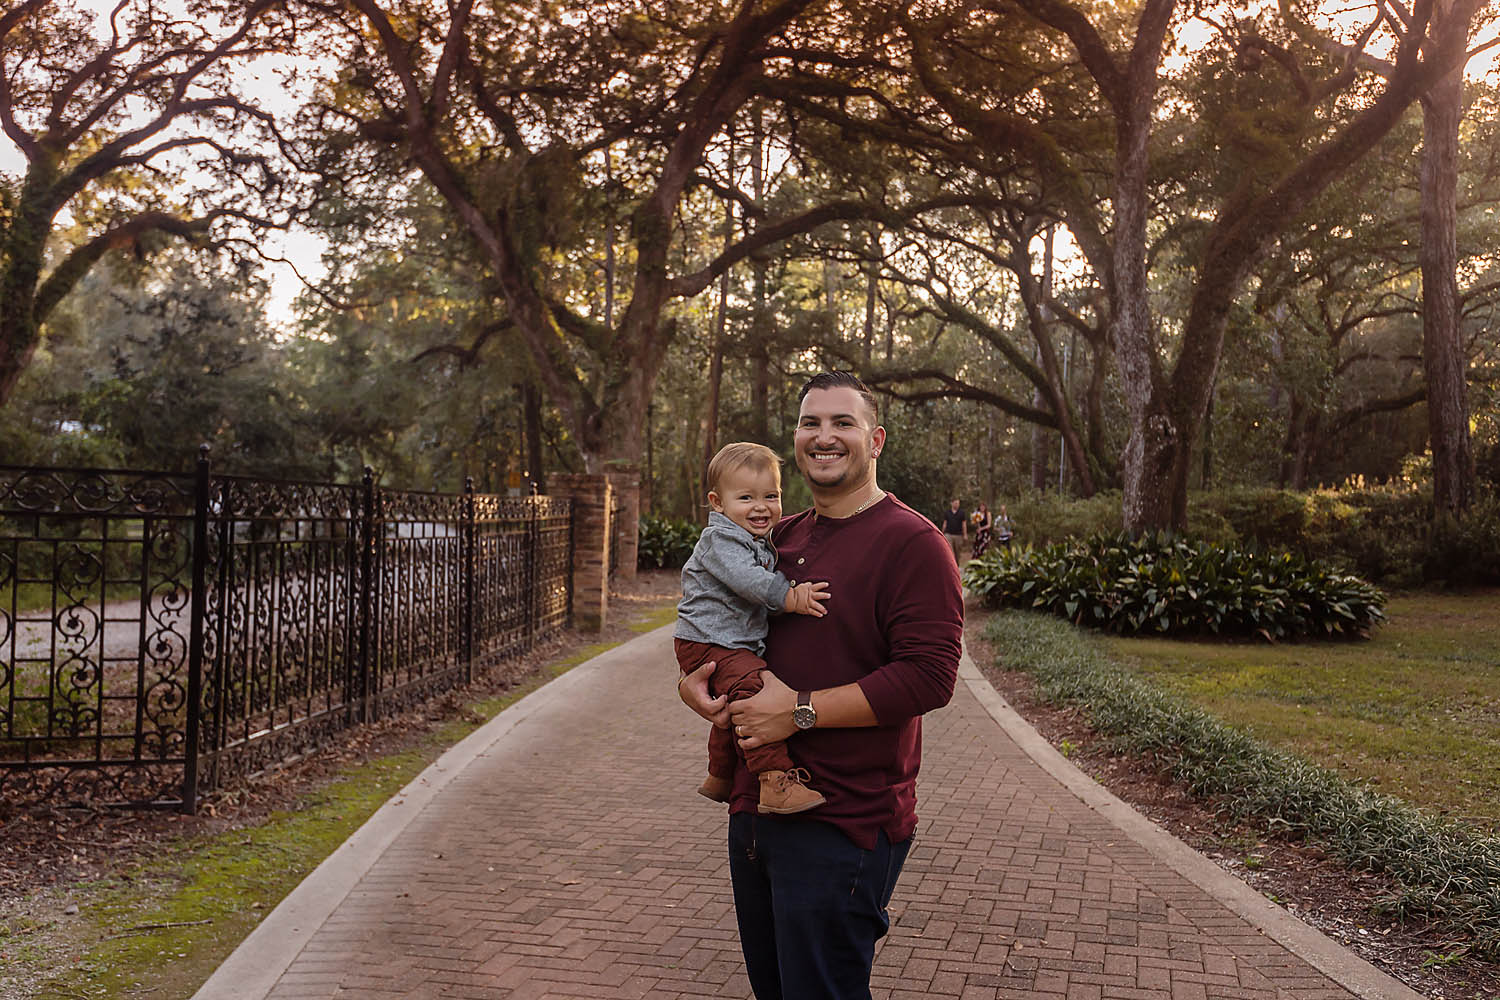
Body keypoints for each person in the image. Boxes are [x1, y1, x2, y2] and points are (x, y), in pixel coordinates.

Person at [678, 371, 963, 1000]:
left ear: (876, 439)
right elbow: (721, 627)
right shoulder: (775, 538)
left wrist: (798, 713)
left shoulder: (913, 544)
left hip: (845, 821)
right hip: (754, 811)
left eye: (843, 423)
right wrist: (692, 689)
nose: (823, 437)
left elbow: (929, 677)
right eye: (811, 423)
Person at [675, 441, 832, 816]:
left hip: (723, 642)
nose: (761, 507)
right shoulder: (721, 540)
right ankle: (773, 779)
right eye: (746, 497)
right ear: (718, 503)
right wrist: (790, 596)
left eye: (771, 496)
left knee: (730, 704)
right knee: (754, 694)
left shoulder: (758, 539)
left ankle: (720, 774)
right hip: (712, 643)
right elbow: (747, 580)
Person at [939, 497, 967, 564]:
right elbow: (945, 523)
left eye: (958, 503)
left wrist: (965, 534)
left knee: (957, 553)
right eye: (955, 503)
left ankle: (956, 566)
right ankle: (950, 565)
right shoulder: (947, 512)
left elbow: (964, 524)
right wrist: (942, 533)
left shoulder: (962, 513)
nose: (957, 505)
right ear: (951, 503)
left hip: (958, 535)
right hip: (949, 534)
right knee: (950, 551)